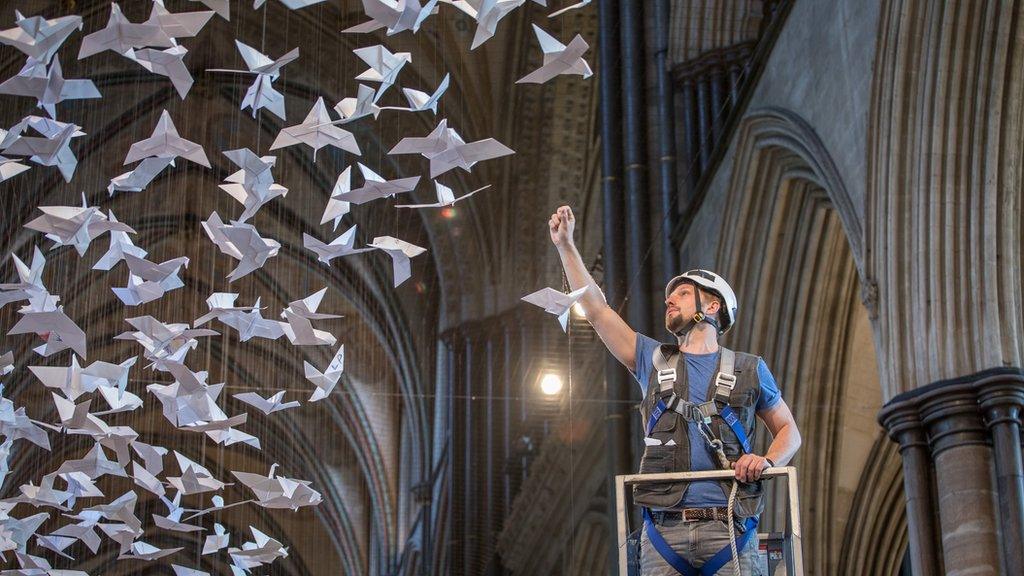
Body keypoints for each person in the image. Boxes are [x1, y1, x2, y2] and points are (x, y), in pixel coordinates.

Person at [548, 206, 802, 575]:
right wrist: (566, 246)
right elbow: (599, 312)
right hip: (664, 533)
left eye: (683, 293)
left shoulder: (750, 368)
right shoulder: (651, 360)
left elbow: (789, 432)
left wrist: (767, 461)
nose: (670, 300)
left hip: (729, 529)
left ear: (712, 305)